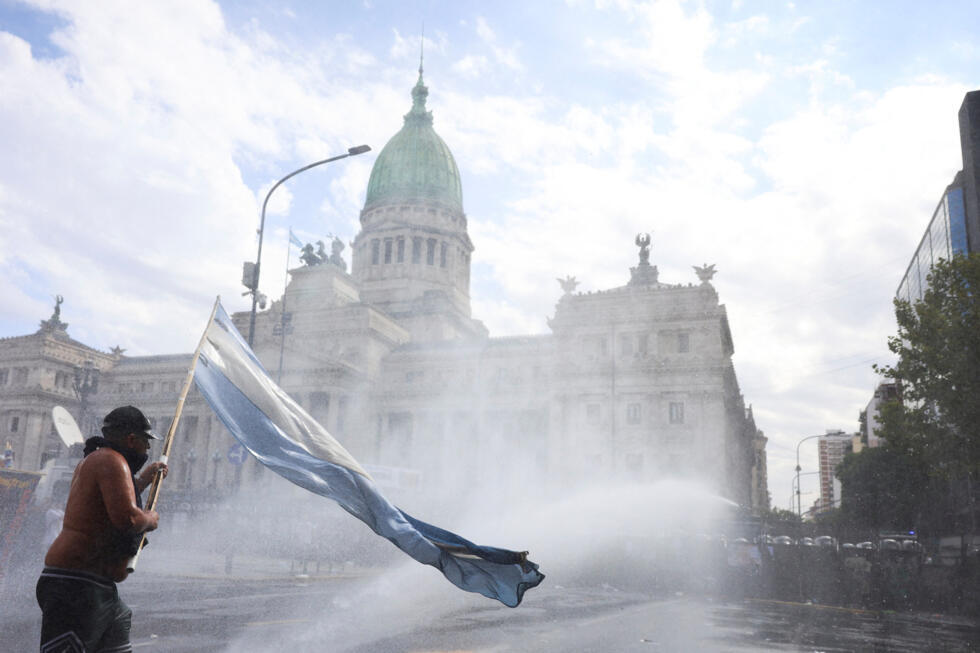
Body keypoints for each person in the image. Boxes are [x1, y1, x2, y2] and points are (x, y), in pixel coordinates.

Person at [37, 405, 168, 652]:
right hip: (76, 585)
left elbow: (109, 505)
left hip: (99, 586)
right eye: (145, 441)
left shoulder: (101, 460)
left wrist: (143, 481)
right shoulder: (110, 460)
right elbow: (126, 518)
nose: (148, 449)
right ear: (131, 439)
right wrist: (150, 519)